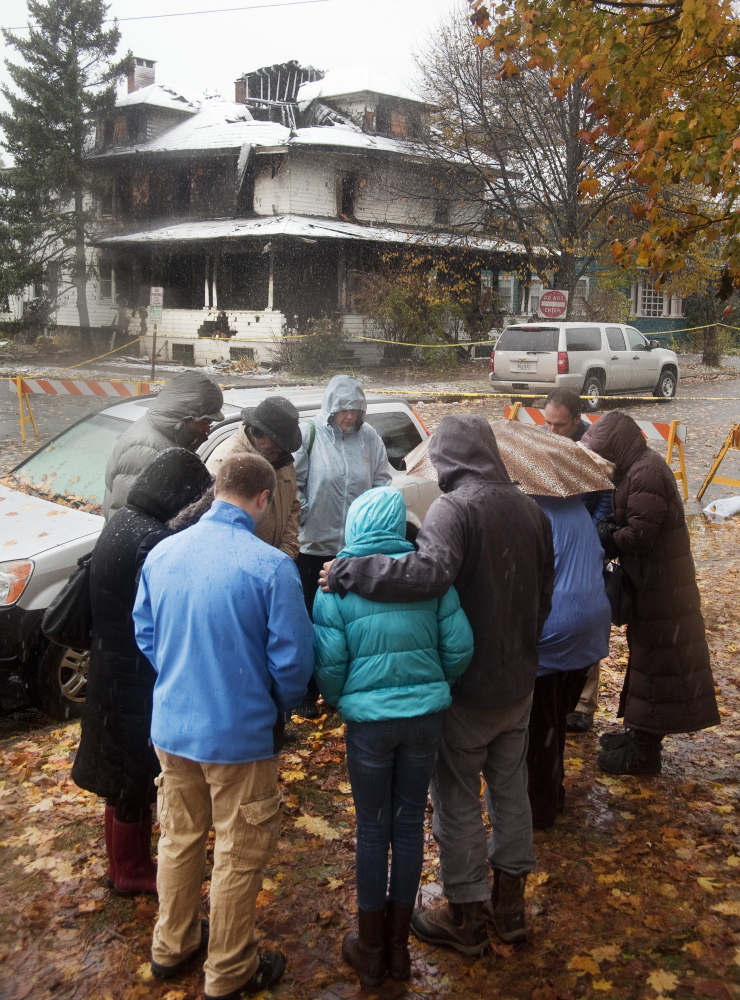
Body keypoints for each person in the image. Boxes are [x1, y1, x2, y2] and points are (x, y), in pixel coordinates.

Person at [323, 415, 554, 955]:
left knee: (455, 799)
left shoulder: (455, 509)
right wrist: (522, 647)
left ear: (449, 458)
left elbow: (428, 577)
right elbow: (546, 589)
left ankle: (467, 915)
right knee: (510, 790)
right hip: (520, 681)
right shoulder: (530, 509)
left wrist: (349, 572)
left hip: (468, 687)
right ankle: (511, 909)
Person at [133, 454, 314, 999]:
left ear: (216, 491)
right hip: (240, 734)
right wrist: (276, 706)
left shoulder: (163, 553)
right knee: (239, 851)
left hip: (172, 726)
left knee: (179, 838)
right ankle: (230, 969)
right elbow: (293, 663)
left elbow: (146, 634)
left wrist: (182, 676)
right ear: (263, 499)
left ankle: (173, 944)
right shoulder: (271, 567)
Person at [313, 488, 474, 987]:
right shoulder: (432, 580)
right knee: (407, 827)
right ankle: (400, 952)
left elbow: (331, 666)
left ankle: (371, 948)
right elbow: (460, 648)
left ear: (356, 526)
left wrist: (345, 702)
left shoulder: (333, 586)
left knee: (371, 828)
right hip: (425, 721)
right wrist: (436, 686)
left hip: (369, 727)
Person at [72, 448, 213, 894]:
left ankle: (120, 862)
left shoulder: (121, 521)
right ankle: (130, 870)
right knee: (134, 778)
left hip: (109, 666)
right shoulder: (152, 540)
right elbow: (163, 613)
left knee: (117, 776)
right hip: (136, 676)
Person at [582, 411, 720, 774]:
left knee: (659, 663)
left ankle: (644, 751)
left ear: (616, 446)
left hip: (663, 588)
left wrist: (609, 535)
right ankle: (639, 732)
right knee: (648, 659)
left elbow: (640, 536)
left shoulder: (645, 472)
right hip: (655, 584)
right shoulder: (635, 468)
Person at [293, 374, 391, 716]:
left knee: (348, 624)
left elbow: (381, 481)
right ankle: (307, 692)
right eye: (342, 409)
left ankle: (343, 688)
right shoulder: (311, 435)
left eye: (354, 409)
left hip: (352, 551)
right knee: (310, 622)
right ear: (330, 407)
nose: (348, 416)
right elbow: (295, 482)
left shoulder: (369, 439)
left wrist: (369, 526)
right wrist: (304, 515)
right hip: (312, 549)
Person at [526, 495, 611, 828]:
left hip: (556, 628)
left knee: (540, 722)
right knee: (555, 716)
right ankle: (554, 791)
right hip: (590, 625)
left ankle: (540, 808)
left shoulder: (534, 513)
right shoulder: (575, 508)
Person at [544, 387, 611, 734]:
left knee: (584, 614)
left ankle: (583, 704)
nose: (552, 431)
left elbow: (605, 495)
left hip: (585, 543)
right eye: (548, 423)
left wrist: (591, 530)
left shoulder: (592, 449)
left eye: (560, 425)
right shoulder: (544, 440)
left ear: (577, 420)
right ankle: (556, 688)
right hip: (555, 542)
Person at [104, 370, 224, 519]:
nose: (207, 429)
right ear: (185, 417)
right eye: (205, 421)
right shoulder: (146, 449)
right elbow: (126, 519)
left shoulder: (169, 436)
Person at [205, 397, 302, 558]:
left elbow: (293, 507)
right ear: (257, 431)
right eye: (276, 442)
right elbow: (213, 525)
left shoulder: (281, 459)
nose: (281, 448)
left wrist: (286, 551)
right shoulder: (225, 461)